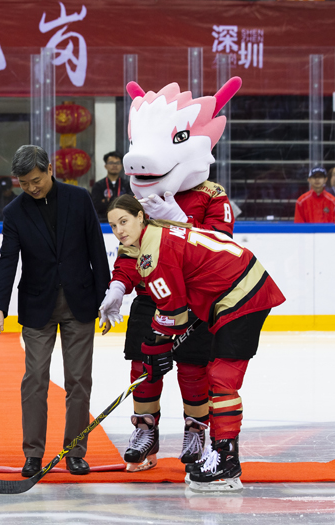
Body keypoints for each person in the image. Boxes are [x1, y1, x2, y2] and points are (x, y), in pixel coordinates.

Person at [103, 78, 240, 474]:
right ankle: (145, 432)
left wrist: (180, 223)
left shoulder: (212, 197)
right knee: (143, 367)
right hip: (154, 298)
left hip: (197, 304)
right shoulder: (142, 197)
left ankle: (196, 430)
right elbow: (131, 251)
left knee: (194, 370)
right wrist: (117, 285)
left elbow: (222, 249)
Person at [105, 195, 285, 491]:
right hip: (239, 288)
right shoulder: (160, 231)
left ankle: (226, 462)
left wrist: (154, 347)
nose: (119, 230)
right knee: (217, 375)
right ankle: (222, 454)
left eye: (124, 221)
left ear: (141, 216)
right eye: (113, 225)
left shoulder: (152, 252)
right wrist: (156, 345)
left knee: (222, 377)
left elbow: (173, 313)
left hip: (240, 295)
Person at [0, 145, 110, 477]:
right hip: (37, 305)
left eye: (36, 180)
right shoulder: (14, 212)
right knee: (35, 379)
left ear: (50, 168)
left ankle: (75, 451)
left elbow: (97, 251)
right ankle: (33, 453)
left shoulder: (79, 199)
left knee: (79, 380)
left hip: (79, 302)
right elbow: (7, 262)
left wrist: (106, 298)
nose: (31, 188)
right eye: (24, 183)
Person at [91, 151, 130, 222]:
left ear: (121, 166)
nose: (114, 165)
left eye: (117, 163)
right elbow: (96, 206)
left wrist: (106, 201)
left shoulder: (127, 184)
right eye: (111, 163)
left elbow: (130, 204)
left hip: (124, 221)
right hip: (103, 221)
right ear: (105, 166)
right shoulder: (98, 185)